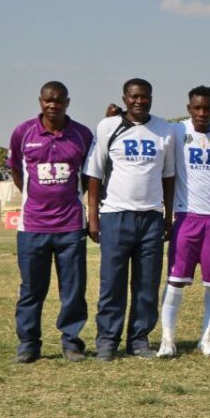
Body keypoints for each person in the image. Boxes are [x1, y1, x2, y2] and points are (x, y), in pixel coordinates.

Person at [85, 78, 175, 361]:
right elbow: (94, 174)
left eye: (144, 96)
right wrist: (93, 216)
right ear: (124, 99)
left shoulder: (164, 129)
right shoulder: (107, 126)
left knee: (147, 284)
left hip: (151, 217)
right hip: (115, 215)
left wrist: (167, 216)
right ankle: (107, 341)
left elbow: (169, 177)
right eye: (134, 96)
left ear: (151, 98)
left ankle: (139, 339)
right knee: (112, 283)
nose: (139, 101)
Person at [7, 81, 94, 363]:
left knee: (73, 289)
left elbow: (88, 177)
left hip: (70, 226)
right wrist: (34, 197)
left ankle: (71, 342)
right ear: (40, 101)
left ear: (67, 102)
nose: (52, 105)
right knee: (32, 289)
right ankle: (29, 344)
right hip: (32, 227)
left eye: (58, 100)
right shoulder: (23, 133)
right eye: (48, 100)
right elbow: (17, 172)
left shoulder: (82, 134)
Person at [155, 86, 210, 358]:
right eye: (196, 108)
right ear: (189, 109)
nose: (202, 113)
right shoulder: (177, 130)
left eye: (207, 108)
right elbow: (146, 126)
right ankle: (167, 339)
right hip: (186, 216)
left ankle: (206, 338)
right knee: (175, 281)